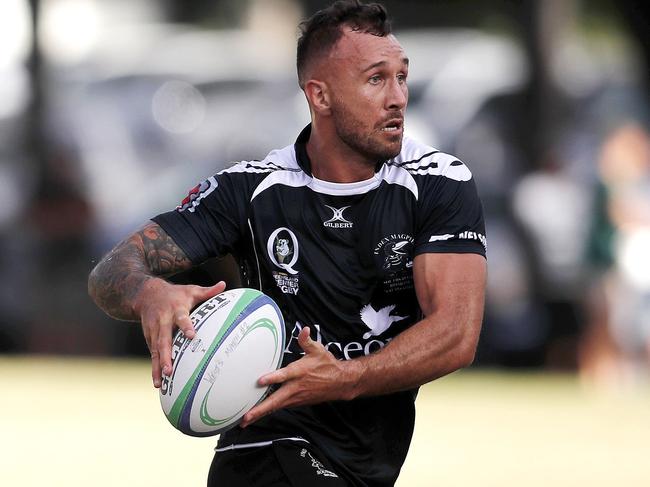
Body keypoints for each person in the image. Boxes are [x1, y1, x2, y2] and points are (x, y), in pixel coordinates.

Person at [88, 1, 487, 485]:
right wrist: (148, 292)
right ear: (320, 96)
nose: (398, 97)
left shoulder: (438, 182)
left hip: (365, 462)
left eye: (402, 77)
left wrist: (343, 379)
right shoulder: (250, 190)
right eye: (376, 79)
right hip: (267, 449)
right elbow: (111, 271)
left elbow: (457, 334)